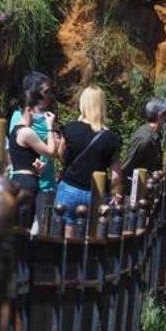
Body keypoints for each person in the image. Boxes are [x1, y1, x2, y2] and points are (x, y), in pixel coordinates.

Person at [56, 86, 123, 230]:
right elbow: (116, 175)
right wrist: (116, 193)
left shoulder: (70, 128)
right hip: (96, 193)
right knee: (91, 240)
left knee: (63, 235)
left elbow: (61, 153)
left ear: (83, 104)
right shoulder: (112, 138)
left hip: (70, 188)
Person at [7, 82, 63, 230]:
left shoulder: (15, 131)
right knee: (23, 229)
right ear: (28, 109)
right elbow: (51, 153)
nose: (40, 114)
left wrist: (40, 167)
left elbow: (27, 160)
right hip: (26, 183)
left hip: (21, 179)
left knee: (20, 227)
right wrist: (50, 127)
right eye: (37, 110)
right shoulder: (27, 132)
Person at [120, 97, 166, 176]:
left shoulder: (155, 136)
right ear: (160, 116)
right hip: (139, 187)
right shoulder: (145, 139)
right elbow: (127, 168)